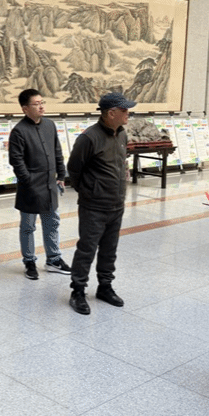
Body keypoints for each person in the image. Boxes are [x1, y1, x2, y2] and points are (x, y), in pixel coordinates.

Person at [67, 92, 134, 315]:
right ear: (111, 113)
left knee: (109, 249)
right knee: (87, 249)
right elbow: (74, 169)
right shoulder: (89, 138)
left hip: (116, 204)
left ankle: (105, 286)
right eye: (124, 110)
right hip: (93, 206)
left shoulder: (122, 134)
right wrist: (89, 191)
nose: (128, 114)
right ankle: (78, 291)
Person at [8, 88, 71, 279]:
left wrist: (61, 174)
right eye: (36, 104)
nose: (41, 106)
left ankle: (53, 259)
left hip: (50, 184)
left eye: (42, 102)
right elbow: (16, 161)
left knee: (52, 222)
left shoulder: (49, 125)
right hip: (29, 187)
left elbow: (57, 151)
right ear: (25, 108)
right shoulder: (19, 131)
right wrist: (28, 180)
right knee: (28, 226)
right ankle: (29, 261)